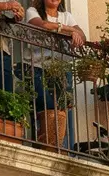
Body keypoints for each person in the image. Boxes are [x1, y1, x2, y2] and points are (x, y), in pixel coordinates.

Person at [24, 0, 86, 147]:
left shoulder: (66, 16)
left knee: (65, 108)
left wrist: (73, 32)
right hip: (37, 67)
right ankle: (44, 145)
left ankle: (65, 148)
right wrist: (69, 30)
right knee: (45, 106)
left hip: (61, 69)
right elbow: (44, 25)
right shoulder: (32, 12)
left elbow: (82, 35)